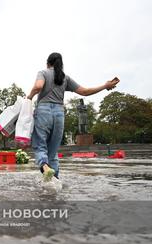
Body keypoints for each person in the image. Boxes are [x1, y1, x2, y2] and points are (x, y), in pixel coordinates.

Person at [27, 52, 119, 181]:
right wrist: (105, 86)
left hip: (44, 112)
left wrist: (29, 97)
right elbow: (84, 92)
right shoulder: (65, 78)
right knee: (53, 152)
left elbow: (38, 86)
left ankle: (44, 166)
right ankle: (54, 181)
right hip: (59, 113)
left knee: (40, 144)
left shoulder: (43, 72)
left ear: (48, 63)